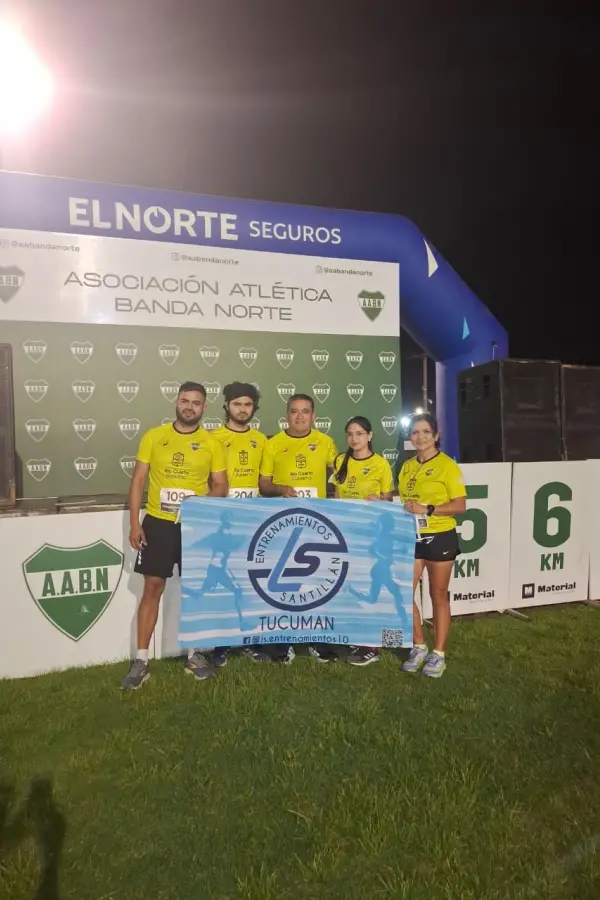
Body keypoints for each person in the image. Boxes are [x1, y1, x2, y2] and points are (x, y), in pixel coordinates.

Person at [121, 381, 228, 690]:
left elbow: (221, 486)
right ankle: (141, 661)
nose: (190, 406)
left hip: (194, 526)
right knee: (152, 587)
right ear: (176, 402)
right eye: (185, 400)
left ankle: (195, 656)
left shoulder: (211, 442)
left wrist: (201, 501)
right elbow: (139, 479)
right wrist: (134, 522)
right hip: (157, 523)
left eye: (196, 402)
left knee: (194, 589)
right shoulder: (155, 436)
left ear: (204, 407)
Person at [257, 392, 337, 663]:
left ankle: (316, 640)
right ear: (286, 415)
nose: (300, 416)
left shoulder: (326, 443)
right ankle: (285, 642)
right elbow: (263, 484)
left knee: (318, 583)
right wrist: (281, 489)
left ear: (314, 415)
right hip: (284, 524)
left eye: (305, 411)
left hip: (318, 524)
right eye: (294, 411)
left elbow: (338, 481)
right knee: (285, 584)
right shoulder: (274, 443)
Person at [398, 412, 466, 678]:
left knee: (438, 595)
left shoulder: (447, 465)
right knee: (405, 593)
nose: (420, 437)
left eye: (426, 432)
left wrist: (429, 509)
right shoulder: (407, 466)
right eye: (415, 432)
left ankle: (438, 654)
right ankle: (418, 646)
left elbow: (460, 505)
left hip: (440, 536)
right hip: (411, 536)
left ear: (436, 436)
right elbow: (404, 500)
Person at [330, 416, 396, 667]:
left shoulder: (380, 464)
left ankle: (372, 644)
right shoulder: (340, 460)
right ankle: (356, 636)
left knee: (371, 586)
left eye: (359, 433)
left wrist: (378, 501)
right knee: (350, 584)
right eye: (350, 434)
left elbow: (387, 502)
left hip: (372, 536)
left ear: (369, 436)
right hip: (347, 534)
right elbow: (337, 497)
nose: (354, 438)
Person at [209, 382, 266, 666]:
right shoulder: (212, 437)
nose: (242, 409)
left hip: (252, 522)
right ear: (227, 406)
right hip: (222, 522)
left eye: (247, 404)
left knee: (251, 582)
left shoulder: (261, 440)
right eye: (237, 404)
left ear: (254, 408)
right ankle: (221, 644)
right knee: (223, 584)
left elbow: (264, 482)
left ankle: (250, 640)